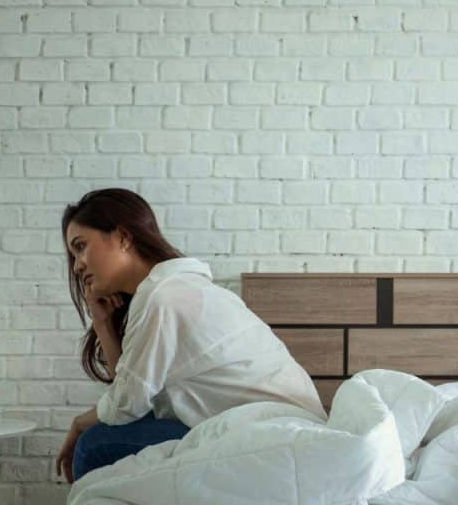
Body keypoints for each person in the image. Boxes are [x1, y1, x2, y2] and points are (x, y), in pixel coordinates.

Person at [56, 188, 325, 483]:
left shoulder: (164, 297)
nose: (78, 265)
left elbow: (125, 405)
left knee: (94, 446)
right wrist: (104, 325)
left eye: (81, 247)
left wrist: (80, 423)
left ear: (122, 237)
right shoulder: (173, 288)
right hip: (278, 426)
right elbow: (132, 394)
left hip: (274, 435)